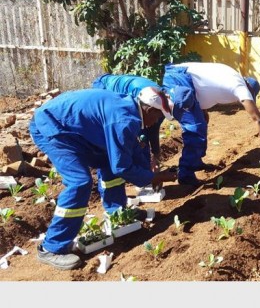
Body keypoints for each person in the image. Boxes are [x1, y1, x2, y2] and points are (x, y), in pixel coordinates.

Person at [29, 87, 178, 270]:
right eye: (157, 117)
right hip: (53, 127)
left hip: (74, 129)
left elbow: (132, 149)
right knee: (80, 182)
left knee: (109, 162)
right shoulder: (124, 119)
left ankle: (117, 213)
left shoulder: (131, 109)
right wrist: (152, 177)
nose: (156, 122)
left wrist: (150, 171)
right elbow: (122, 166)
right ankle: (52, 247)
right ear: (149, 109)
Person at [162, 61, 260, 186]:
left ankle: (195, 161)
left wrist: (202, 112)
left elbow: (205, 84)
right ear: (249, 89)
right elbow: (258, 119)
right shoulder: (240, 87)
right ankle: (185, 173)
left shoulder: (232, 76)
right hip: (179, 78)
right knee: (195, 128)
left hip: (183, 76)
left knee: (202, 120)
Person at [91, 73, 195, 172]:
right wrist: (152, 176)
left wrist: (156, 155)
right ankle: (141, 180)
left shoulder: (160, 102)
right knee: (117, 146)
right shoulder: (146, 99)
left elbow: (154, 127)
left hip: (126, 94)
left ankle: (145, 177)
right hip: (104, 88)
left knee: (142, 142)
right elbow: (138, 129)